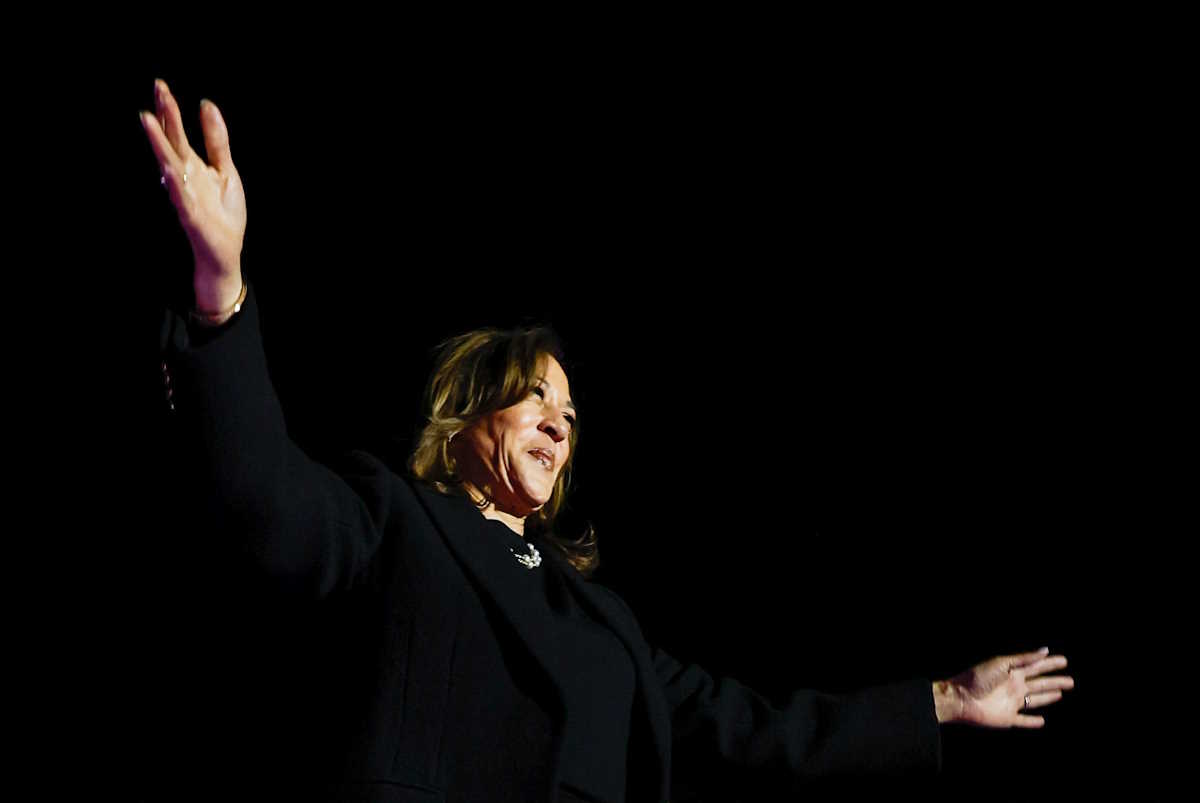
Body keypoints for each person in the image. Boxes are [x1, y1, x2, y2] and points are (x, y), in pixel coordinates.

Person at [140, 78, 1075, 803]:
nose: (560, 422)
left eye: (572, 415)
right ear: (466, 419)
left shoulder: (604, 622)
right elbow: (263, 500)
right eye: (535, 399)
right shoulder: (393, 522)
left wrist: (941, 701)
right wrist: (221, 296)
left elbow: (755, 728)